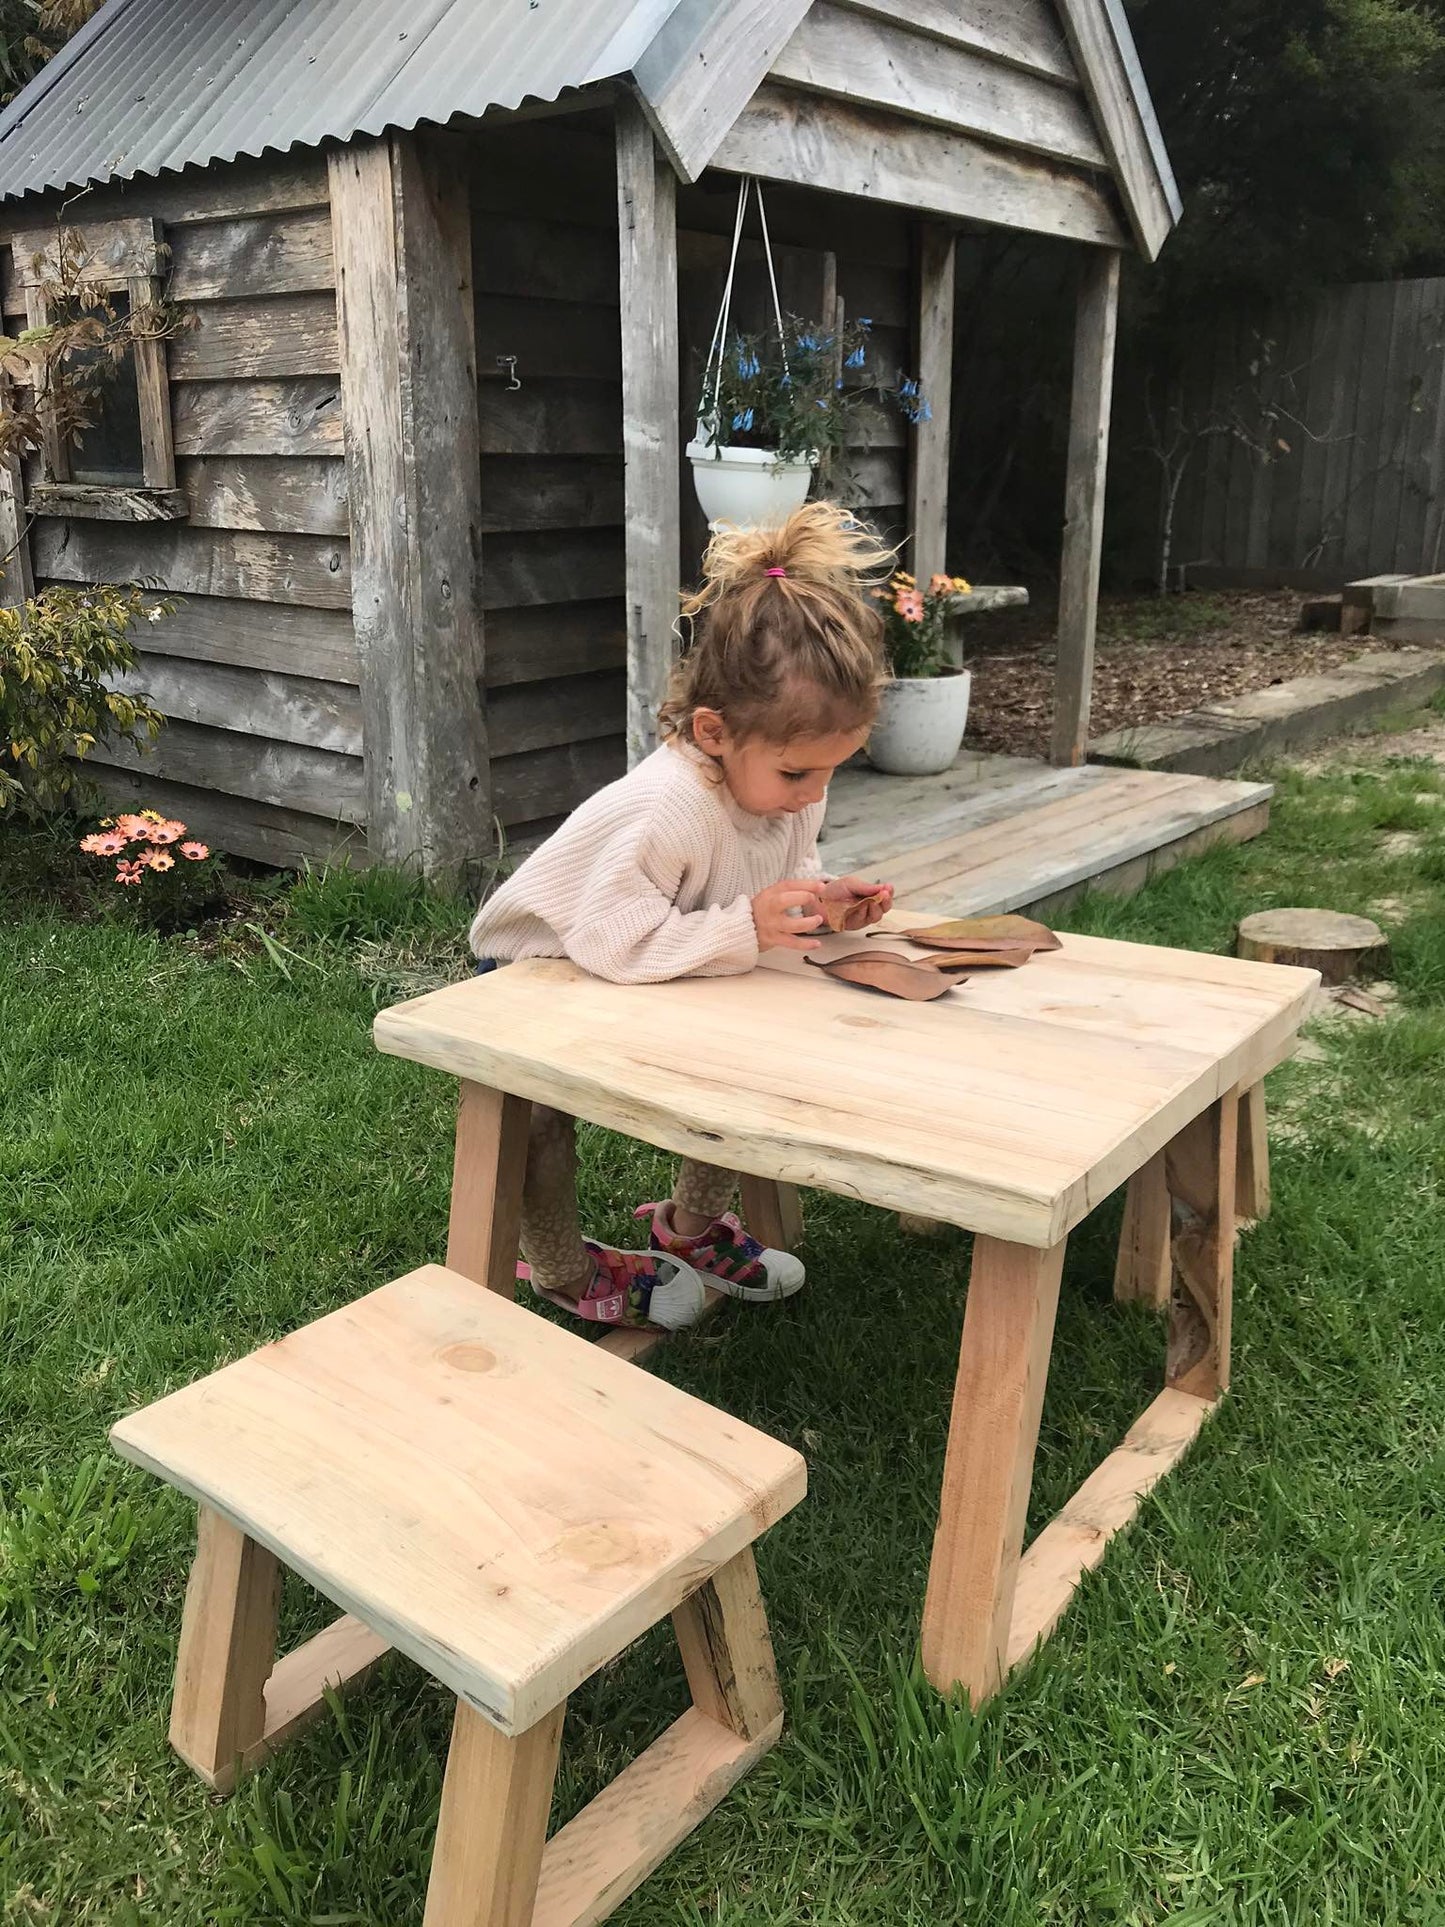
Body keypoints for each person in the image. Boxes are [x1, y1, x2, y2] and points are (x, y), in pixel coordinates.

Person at [468, 501, 895, 1330]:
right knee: (541, 1119)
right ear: (713, 731)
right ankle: (558, 1267)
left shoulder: (783, 789)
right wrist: (747, 927)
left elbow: (784, 872)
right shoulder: (663, 809)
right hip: (544, 963)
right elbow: (614, 941)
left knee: (735, 1062)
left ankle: (689, 1228)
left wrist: (825, 903)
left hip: (652, 943)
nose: (812, 796)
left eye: (831, 773)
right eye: (797, 773)